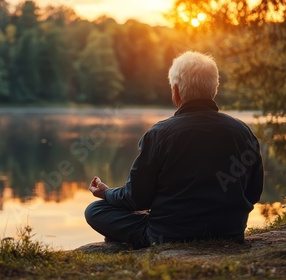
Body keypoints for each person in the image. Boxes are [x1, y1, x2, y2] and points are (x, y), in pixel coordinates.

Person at [85, 51, 264, 249]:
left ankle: (140, 237)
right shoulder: (243, 132)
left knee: (95, 210)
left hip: (169, 235)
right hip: (229, 231)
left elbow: (136, 198)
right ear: (214, 89)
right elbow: (253, 193)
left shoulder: (160, 134)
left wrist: (107, 193)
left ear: (176, 91)